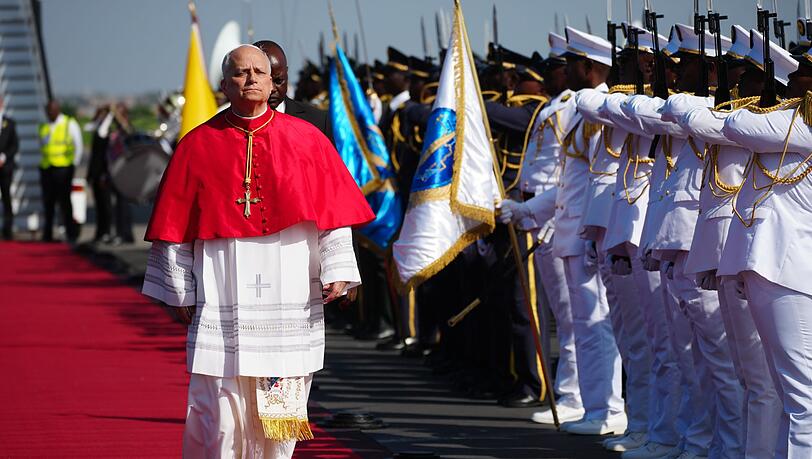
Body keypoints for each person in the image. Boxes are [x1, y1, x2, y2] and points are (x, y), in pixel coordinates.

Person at [141, 44, 374, 458]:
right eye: (239, 73)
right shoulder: (197, 145)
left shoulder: (309, 141)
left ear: (272, 83)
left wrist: (338, 267)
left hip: (290, 295)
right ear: (224, 85)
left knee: (282, 415)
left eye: (258, 72)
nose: (250, 79)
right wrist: (180, 290)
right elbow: (175, 225)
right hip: (222, 289)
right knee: (219, 413)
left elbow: (334, 214)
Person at [719, 43, 812, 459]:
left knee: (802, 399)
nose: (790, 81)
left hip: (790, 270)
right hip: (784, 271)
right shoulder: (794, 123)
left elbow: (737, 123)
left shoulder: (799, 126)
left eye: (800, 75)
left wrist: (772, 105)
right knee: (791, 392)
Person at [253, 40, 333, 143]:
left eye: (278, 81)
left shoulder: (319, 121)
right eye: (264, 82)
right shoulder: (228, 123)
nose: (272, 89)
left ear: (286, 73)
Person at [38, 99, 83, 243]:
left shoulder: (69, 124)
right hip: (47, 167)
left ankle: (71, 233)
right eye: (47, 111)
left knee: (65, 202)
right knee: (48, 202)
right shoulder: (44, 125)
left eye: (51, 111)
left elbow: (78, 146)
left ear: (57, 109)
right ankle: (48, 233)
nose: (49, 114)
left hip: (63, 168)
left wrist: (73, 165)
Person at [0, 95, 18, 240]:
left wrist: (4, 157)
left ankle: (8, 229)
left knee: (6, 197)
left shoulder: (10, 123)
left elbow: (14, 145)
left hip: (5, 168)